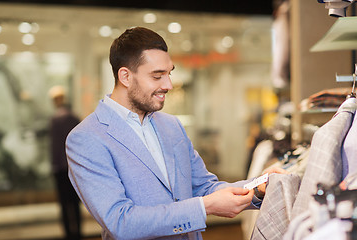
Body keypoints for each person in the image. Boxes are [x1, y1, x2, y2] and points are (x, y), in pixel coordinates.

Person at [66, 27, 284, 240]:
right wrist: (204, 207)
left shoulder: (171, 125)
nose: (169, 85)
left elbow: (204, 187)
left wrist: (258, 187)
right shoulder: (86, 138)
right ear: (125, 76)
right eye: (157, 76)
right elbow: (120, 222)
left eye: (169, 73)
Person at [49, 86, 81, 240]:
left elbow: (55, 148)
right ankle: (77, 233)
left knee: (64, 204)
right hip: (73, 167)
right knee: (74, 203)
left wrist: (54, 165)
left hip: (60, 168)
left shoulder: (56, 119)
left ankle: (69, 234)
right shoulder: (74, 117)